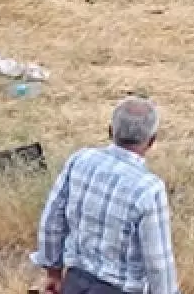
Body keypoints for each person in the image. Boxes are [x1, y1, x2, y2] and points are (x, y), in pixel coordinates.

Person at [30, 96, 180, 294]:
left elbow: (52, 220)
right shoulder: (150, 189)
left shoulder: (80, 160)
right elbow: (158, 264)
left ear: (110, 131)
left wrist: (54, 272)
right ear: (152, 141)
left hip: (75, 283)